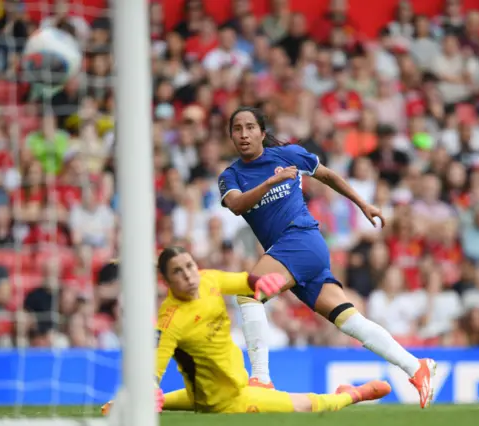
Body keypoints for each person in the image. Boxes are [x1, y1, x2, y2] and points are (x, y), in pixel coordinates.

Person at [219, 106, 436, 408]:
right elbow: (237, 205)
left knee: (248, 294)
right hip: (290, 251)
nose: (243, 134)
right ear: (231, 135)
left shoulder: (288, 155)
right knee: (349, 320)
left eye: (250, 127)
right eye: (237, 129)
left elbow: (328, 176)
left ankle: (261, 377)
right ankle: (416, 366)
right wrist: (269, 183)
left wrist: (363, 205)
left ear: (262, 132)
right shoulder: (230, 176)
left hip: (302, 238)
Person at [101, 247, 391, 414]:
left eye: (190, 266)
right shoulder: (169, 321)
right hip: (230, 400)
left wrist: (259, 282)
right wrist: (149, 390)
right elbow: (155, 366)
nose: (189, 276)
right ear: (165, 281)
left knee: (187, 398)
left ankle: (125, 404)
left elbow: (240, 279)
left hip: (209, 391)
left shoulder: (208, 280)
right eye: (179, 272)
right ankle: (352, 394)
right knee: (309, 406)